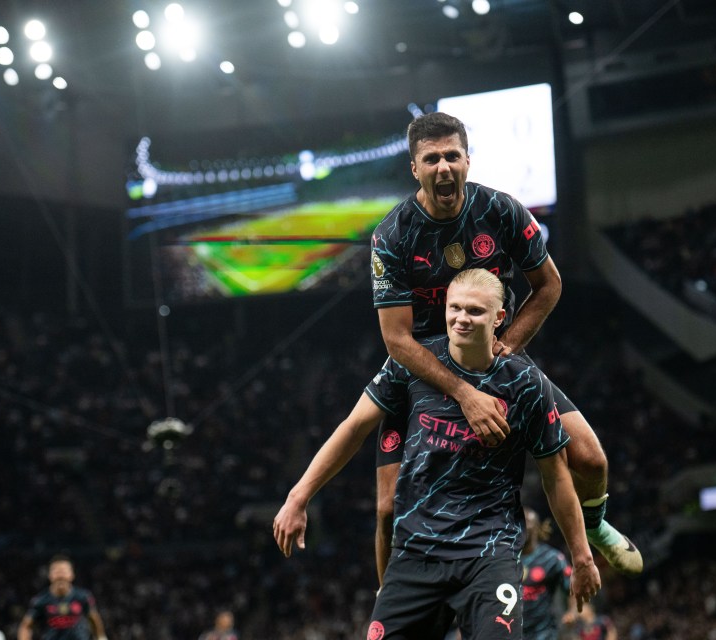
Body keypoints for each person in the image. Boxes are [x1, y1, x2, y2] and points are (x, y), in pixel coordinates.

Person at [370, 111, 641, 583]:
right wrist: (463, 393)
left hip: (491, 359)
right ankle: (389, 608)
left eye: (452, 155)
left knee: (592, 460)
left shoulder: (501, 210)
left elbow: (549, 285)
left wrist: (508, 344)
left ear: (468, 161)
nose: (443, 167)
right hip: (423, 371)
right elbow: (396, 338)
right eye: (431, 159)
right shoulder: (392, 236)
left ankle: (593, 525)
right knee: (389, 506)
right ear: (415, 169)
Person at [274, 269, 600, 639]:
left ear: (499, 318)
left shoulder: (525, 384)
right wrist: (298, 496)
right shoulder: (411, 364)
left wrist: (582, 554)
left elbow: (556, 476)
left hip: (488, 552)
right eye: (455, 308)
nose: (461, 318)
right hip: (417, 552)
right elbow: (353, 428)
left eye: (475, 311)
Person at [18, 555, 107, 640]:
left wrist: (101, 637)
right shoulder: (40, 600)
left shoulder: (83, 596)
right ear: (49, 575)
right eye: (56, 571)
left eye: (64, 571)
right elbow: (26, 626)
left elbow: (94, 619)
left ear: (72, 574)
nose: (60, 575)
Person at [521, 508, 572, 640]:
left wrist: (572, 612)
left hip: (543, 633)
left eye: (527, 521)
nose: (522, 524)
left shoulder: (552, 558)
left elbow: (573, 586)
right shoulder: (505, 560)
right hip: (511, 632)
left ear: (537, 528)